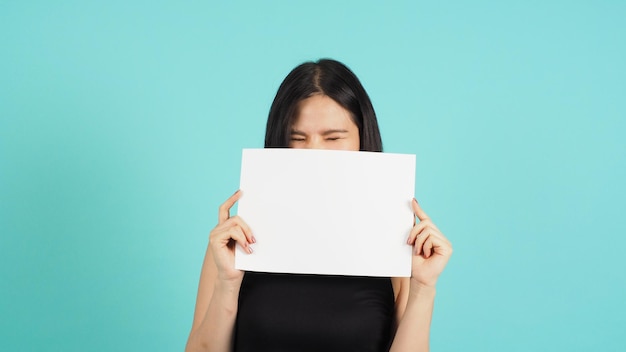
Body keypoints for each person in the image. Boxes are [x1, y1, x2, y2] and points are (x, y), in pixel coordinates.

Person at [185, 59, 453, 352]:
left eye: (333, 137)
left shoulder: (396, 241)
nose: (315, 153)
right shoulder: (234, 241)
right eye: (297, 138)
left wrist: (423, 289)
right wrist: (227, 282)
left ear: (362, 140)